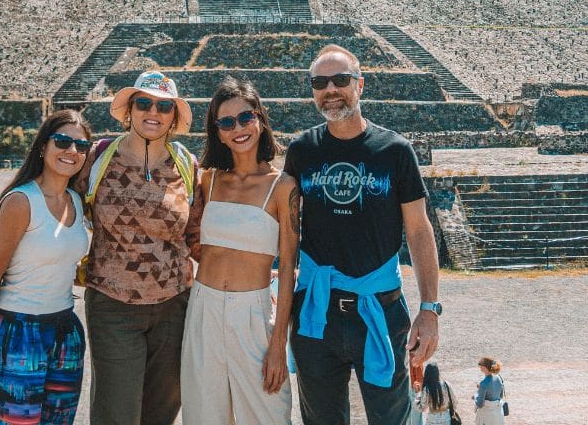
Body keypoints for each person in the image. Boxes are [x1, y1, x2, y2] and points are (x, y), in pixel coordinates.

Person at [285, 44, 441, 425]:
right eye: (320, 83)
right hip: (317, 312)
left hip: (381, 309)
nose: (330, 90)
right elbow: (287, 234)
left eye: (341, 79)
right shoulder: (301, 151)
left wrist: (429, 309)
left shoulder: (395, 151)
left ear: (360, 85)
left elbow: (419, 231)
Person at [74, 71, 204, 425]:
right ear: (129, 110)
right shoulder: (98, 158)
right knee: (116, 413)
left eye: (164, 106)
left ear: (174, 117)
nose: (153, 112)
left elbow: (196, 236)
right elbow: (60, 206)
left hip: (173, 306)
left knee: (161, 412)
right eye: (144, 103)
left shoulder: (187, 166)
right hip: (112, 304)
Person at [181, 76, 297, 425]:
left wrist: (278, 344)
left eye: (245, 117)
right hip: (204, 308)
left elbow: (288, 267)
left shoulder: (283, 187)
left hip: (254, 314)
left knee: (268, 415)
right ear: (217, 132)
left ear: (260, 119)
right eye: (227, 123)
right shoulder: (207, 179)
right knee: (204, 416)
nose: (238, 129)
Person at [0, 109, 93, 425]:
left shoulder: (76, 201)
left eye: (81, 146)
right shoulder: (21, 202)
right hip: (17, 333)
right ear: (43, 146)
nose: (72, 150)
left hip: (65, 332)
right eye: (62, 141)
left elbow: (60, 262)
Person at [474, 357, 505, 425]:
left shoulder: (483, 383)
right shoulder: (499, 378)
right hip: (498, 415)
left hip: (486, 417)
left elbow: (480, 404)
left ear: (485, 367)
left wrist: (476, 395)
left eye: (480, 364)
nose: (479, 366)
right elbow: (500, 396)